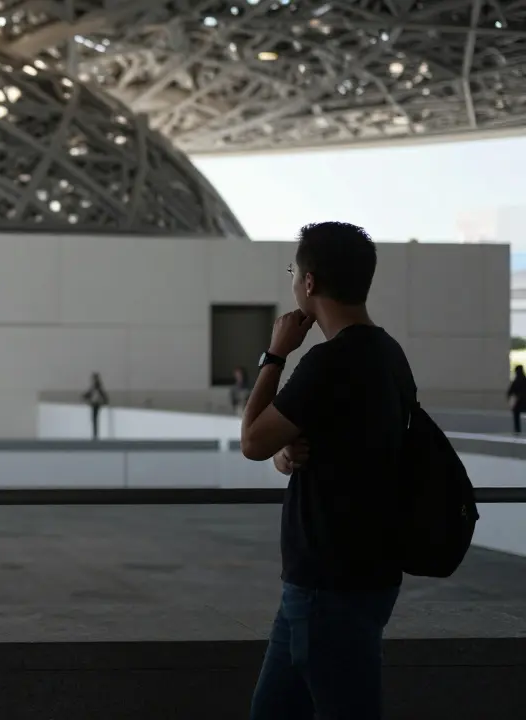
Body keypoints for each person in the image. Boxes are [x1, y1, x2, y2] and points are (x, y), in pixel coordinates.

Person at [238, 222, 414, 720]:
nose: (294, 281)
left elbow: (251, 441)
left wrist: (275, 355)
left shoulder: (329, 362)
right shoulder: (388, 354)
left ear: (310, 282)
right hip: (362, 575)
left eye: (294, 272)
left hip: (329, 583)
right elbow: (307, 444)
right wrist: (286, 454)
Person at [81, 372, 109, 440]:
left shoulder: (97, 387)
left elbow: (94, 393)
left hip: (96, 404)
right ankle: (95, 434)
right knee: (94, 419)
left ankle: (95, 434)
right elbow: (90, 393)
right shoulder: (96, 387)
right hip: (95, 404)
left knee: (94, 419)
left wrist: (104, 401)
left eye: (94, 378)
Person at [509, 365, 526, 434]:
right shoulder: (524, 380)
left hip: (519, 402)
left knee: (516, 412)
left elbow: (510, 391)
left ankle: (517, 429)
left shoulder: (516, 381)